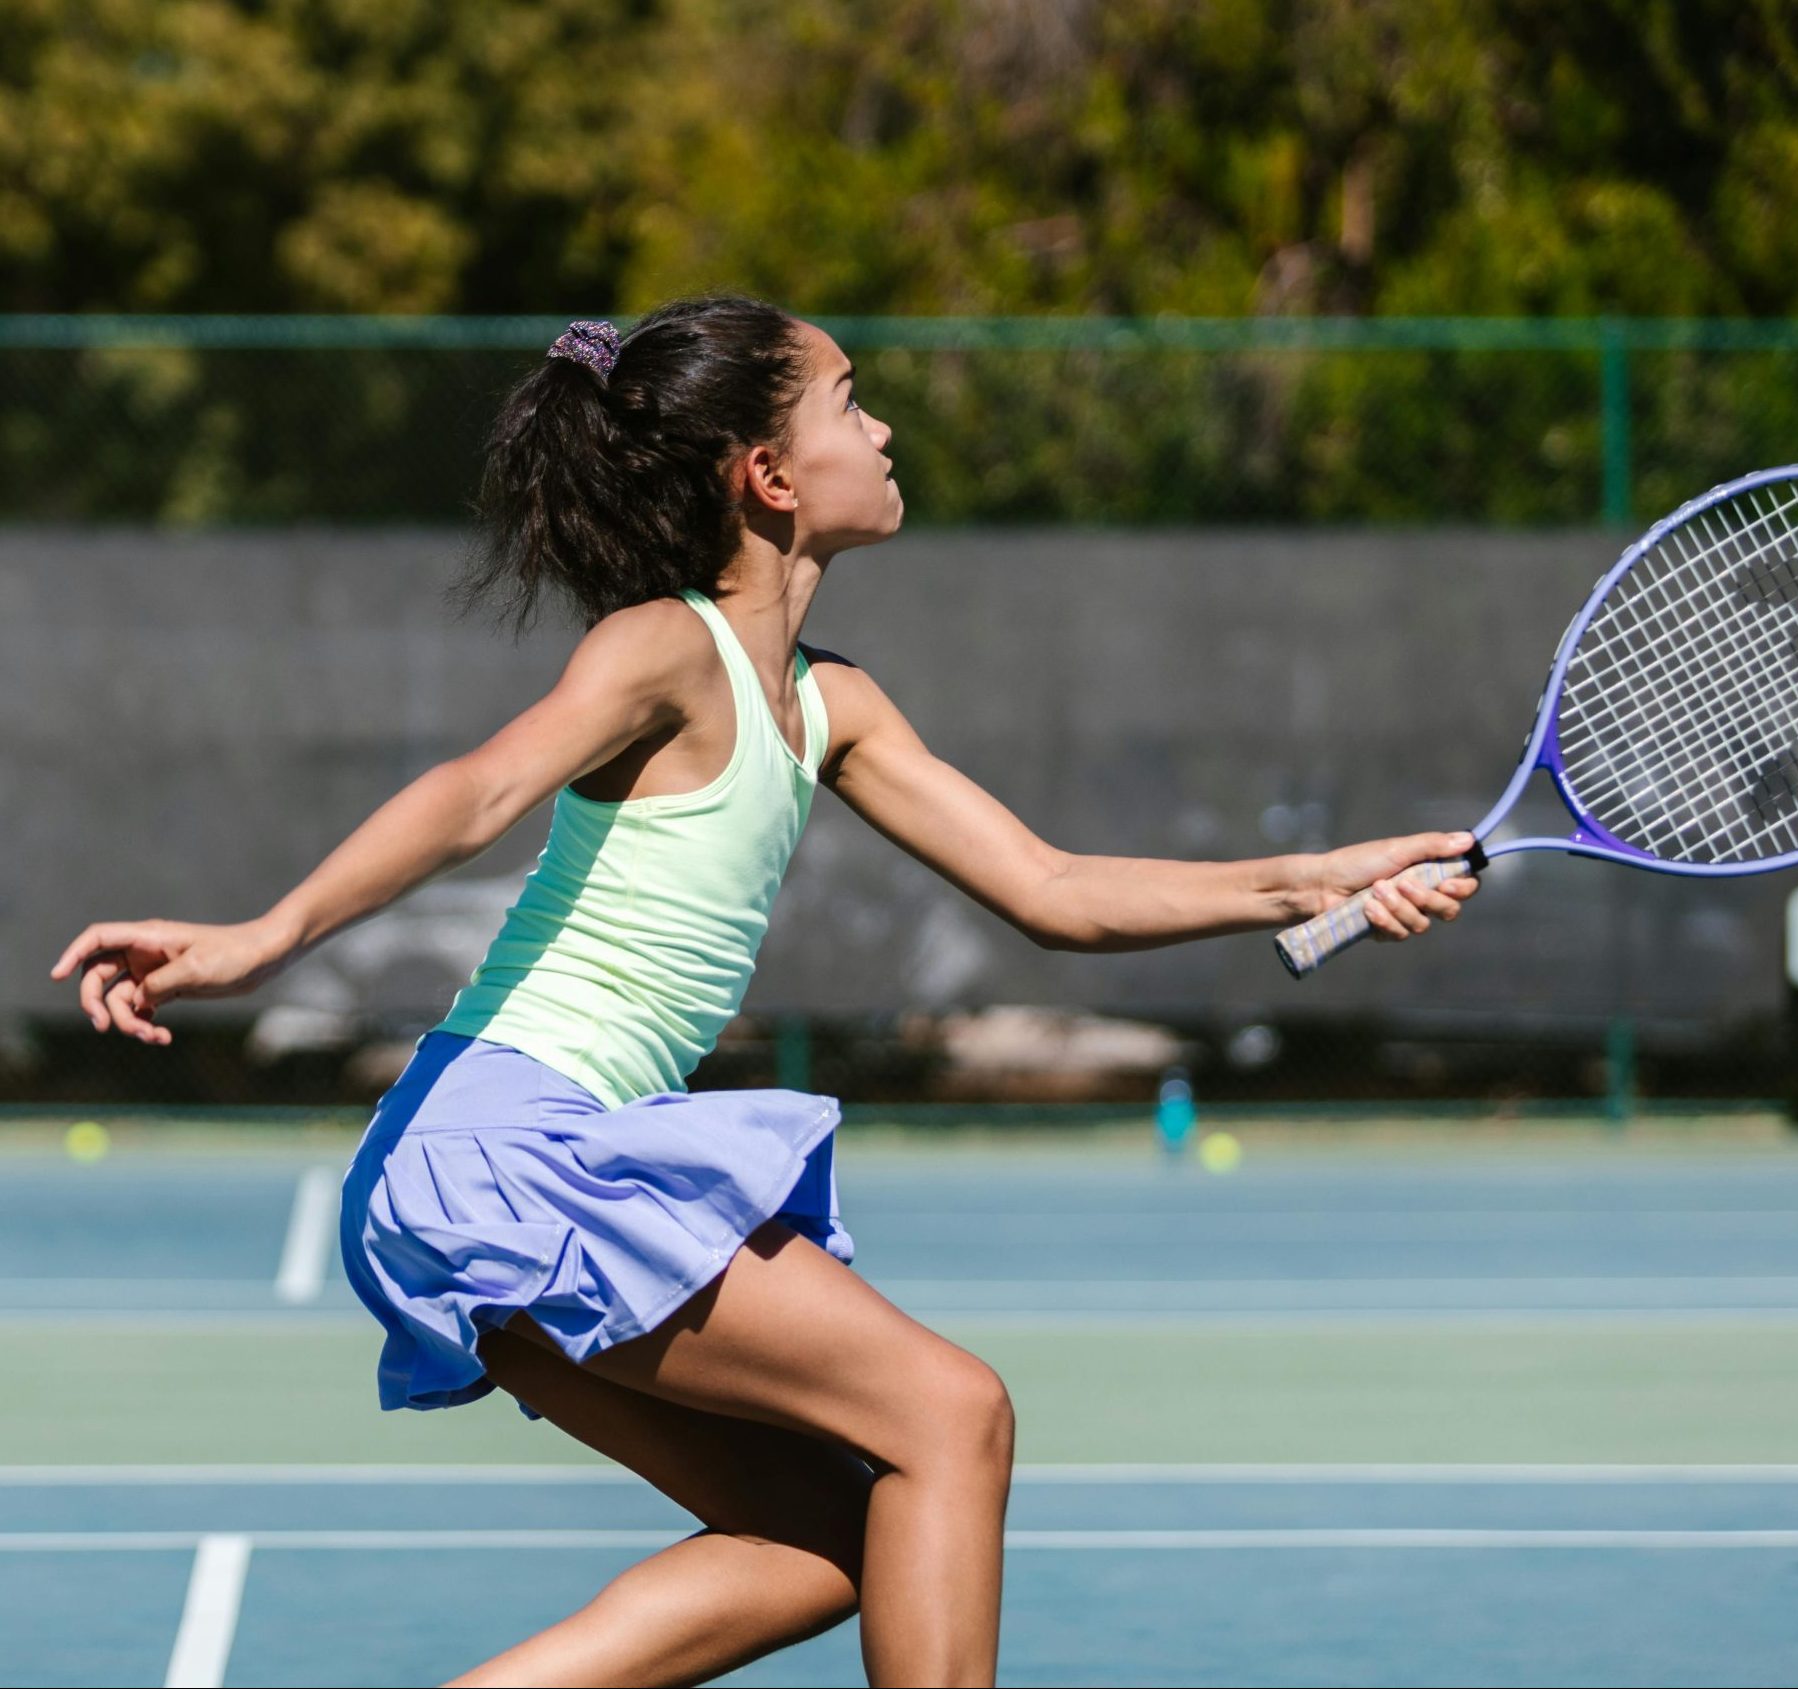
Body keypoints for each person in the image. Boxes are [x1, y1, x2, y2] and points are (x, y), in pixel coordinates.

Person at [51, 296, 1479, 1687]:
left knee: (821, 1536)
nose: (887, 422)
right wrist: (263, 935)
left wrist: (1318, 878)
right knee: (951, 1413)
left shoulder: (830, 700)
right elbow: (478, 788)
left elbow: (1052, 892)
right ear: (772, 475)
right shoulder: (662, 646)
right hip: (500, 1146)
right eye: (852, 398)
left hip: (489, 1163)